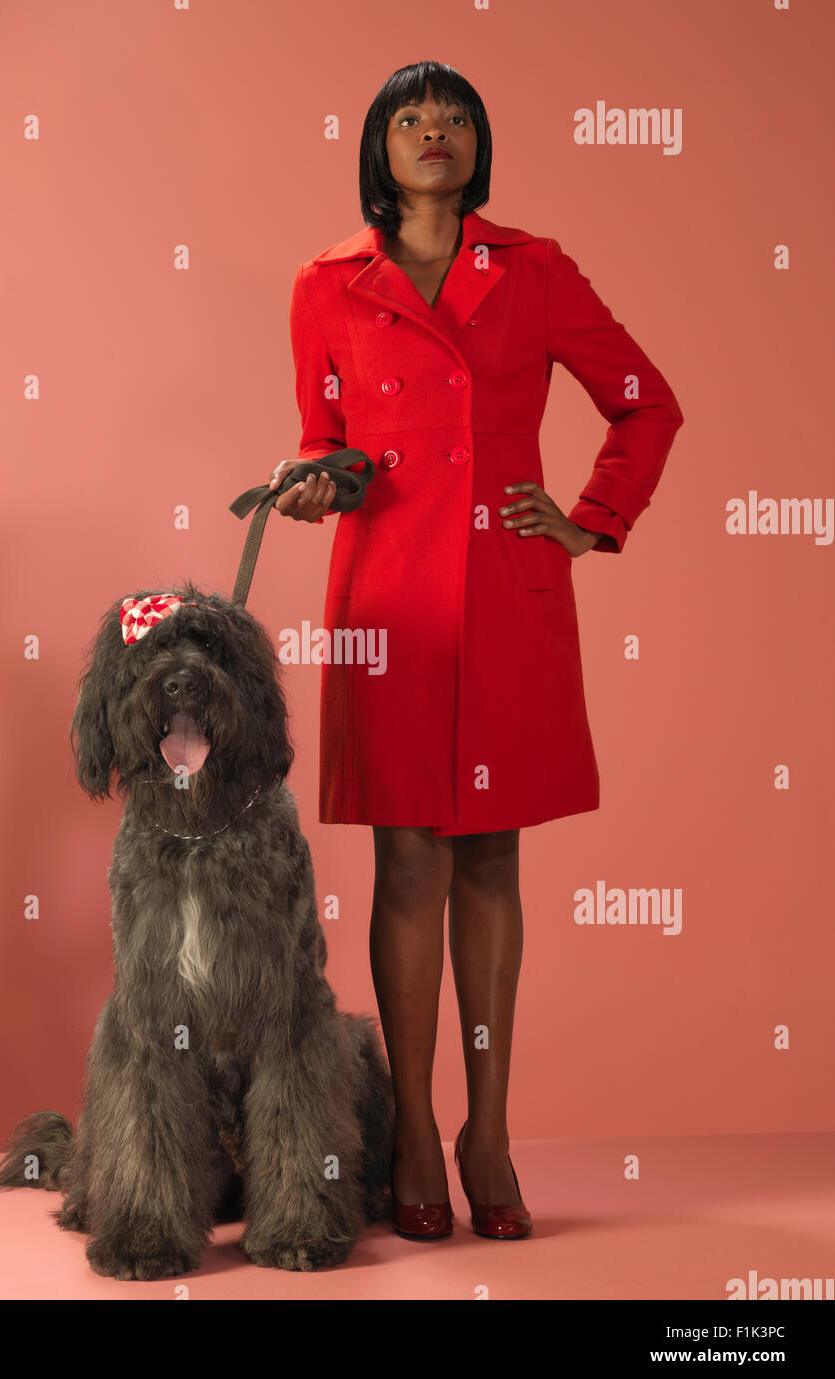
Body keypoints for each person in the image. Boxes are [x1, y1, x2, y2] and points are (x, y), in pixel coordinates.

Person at [271, 61, 683, 1239]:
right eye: (409, 118)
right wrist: (316, 481)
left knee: (491, 860)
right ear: (379, 148)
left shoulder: (534, 268)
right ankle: (408, 1127)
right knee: (406, 861)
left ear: (475, 144)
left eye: (451, 117)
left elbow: (642, 400)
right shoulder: (324, 282)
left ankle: (485, 1132)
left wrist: (590, 517)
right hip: (391, 595)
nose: (432, 131)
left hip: (503, 592)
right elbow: (324, 434)